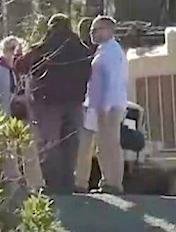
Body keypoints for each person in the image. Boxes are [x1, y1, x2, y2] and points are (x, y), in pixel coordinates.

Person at [14, 13, 92, 194]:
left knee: (50, 142)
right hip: (74, 102)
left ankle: (53, 183)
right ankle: (67, 182)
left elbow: (21, 66)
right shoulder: (81, 48)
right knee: (71, 143)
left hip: (48, 103)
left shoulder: (43, 47)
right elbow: (89, 70)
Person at [78, 15, 128, 194]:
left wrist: (105, 108)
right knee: (103, 146)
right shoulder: (102, 50)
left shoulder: (112, 52)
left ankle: (114, 183)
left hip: (109, 106)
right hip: (98, 105)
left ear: (108, 30)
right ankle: (107, 180)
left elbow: (112, 82)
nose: (92, 33)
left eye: (96, 29)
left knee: (110, 144)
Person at [0, 36, 45, 191]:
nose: (14, 53)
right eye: (10, 49)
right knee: (8, 150)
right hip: (6, 114)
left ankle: (36, 183)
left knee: (29, 147)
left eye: (17, 49)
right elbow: (5, 93)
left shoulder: (22, 70)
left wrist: (28, 97)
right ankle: (13, 182)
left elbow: (29, 89)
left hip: (24, 113)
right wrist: (17, 97)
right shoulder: (1, 69)